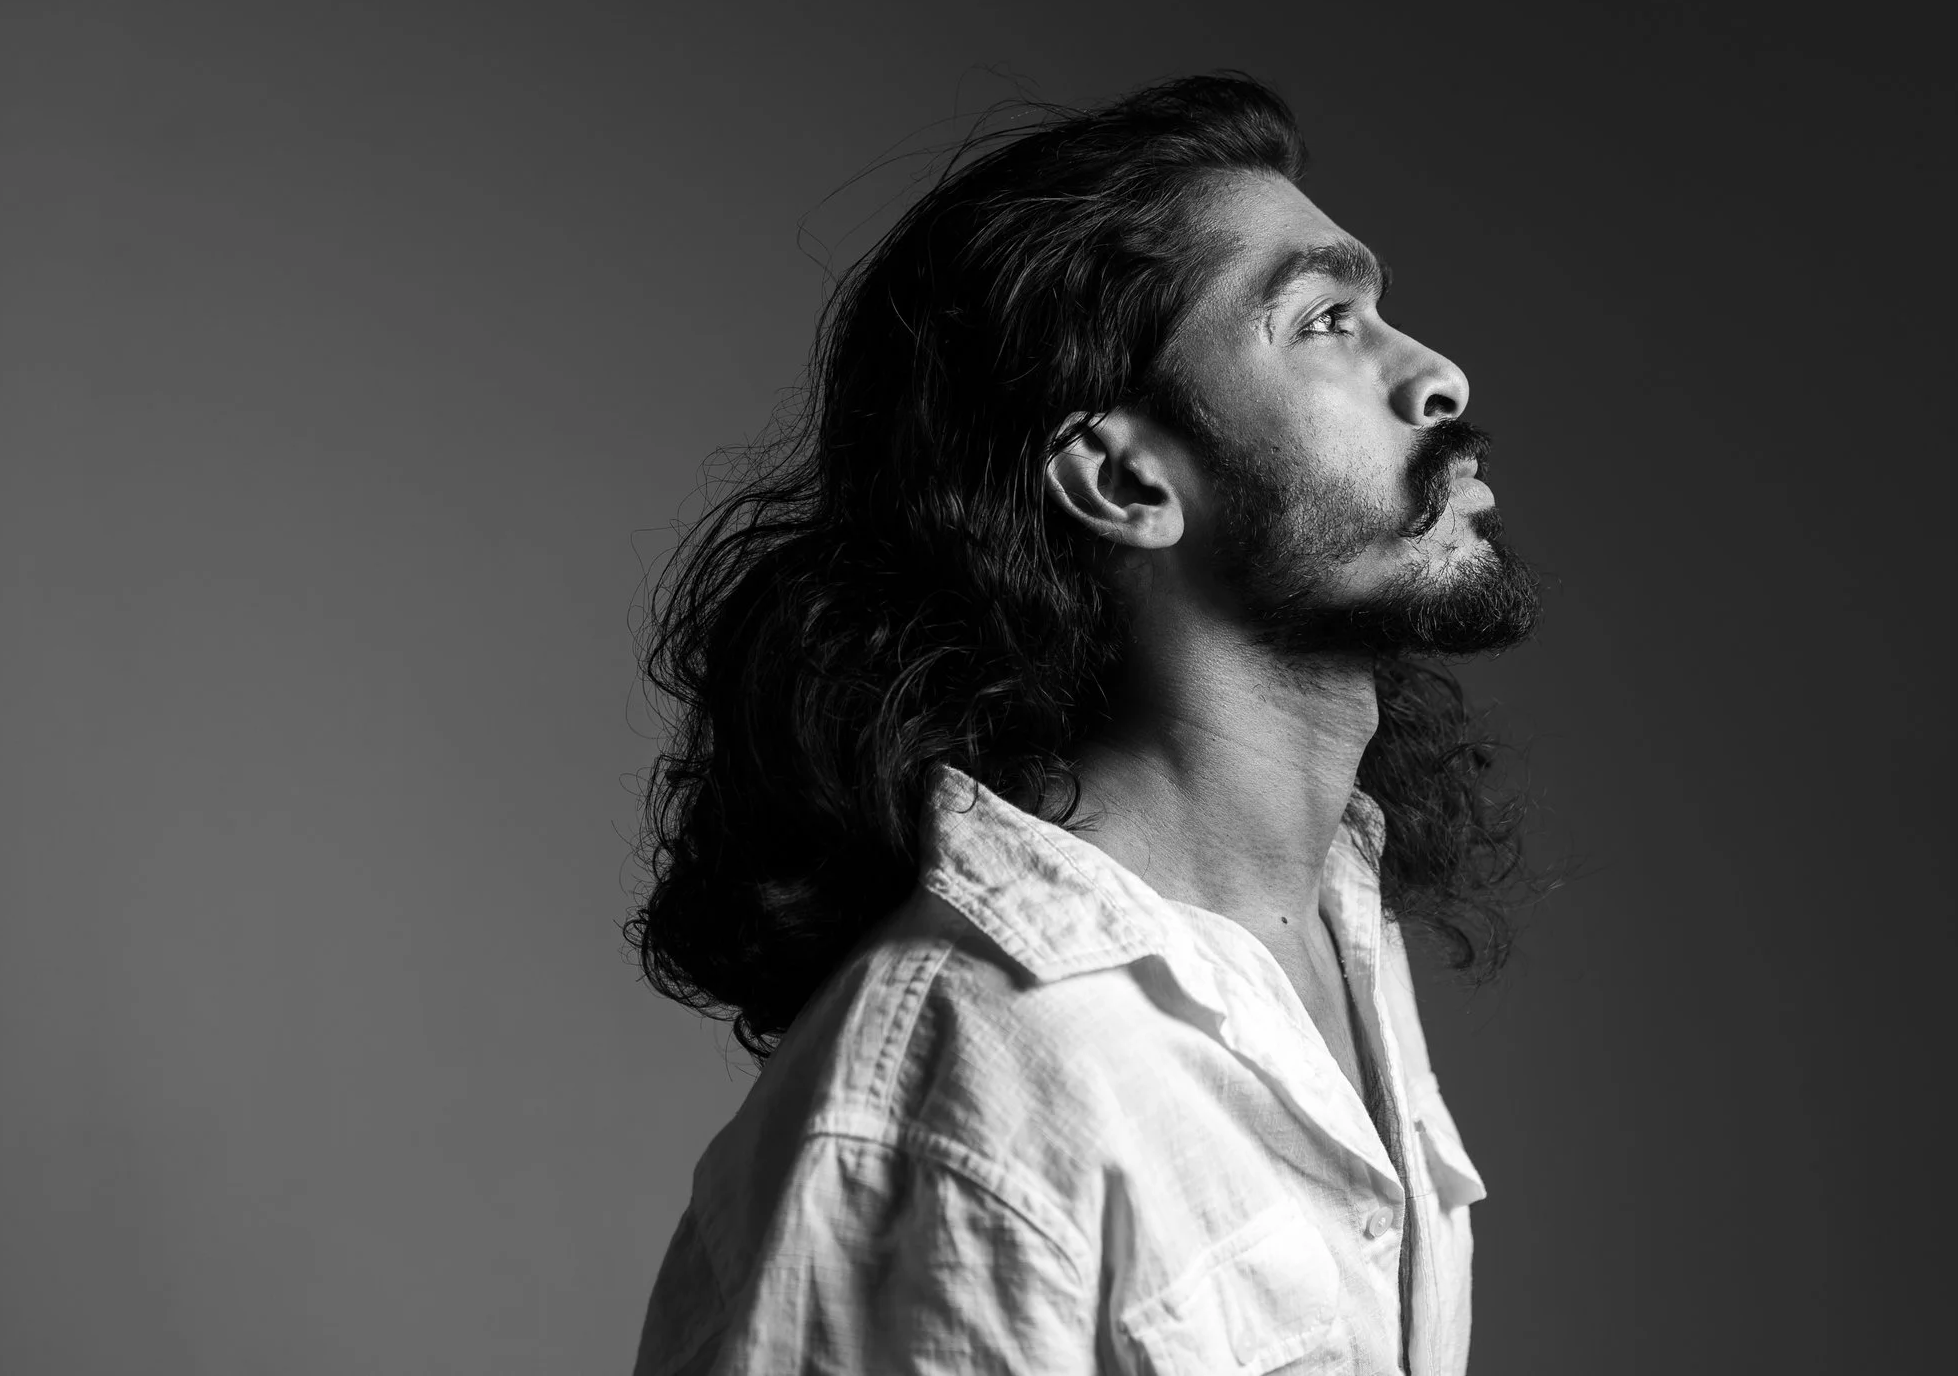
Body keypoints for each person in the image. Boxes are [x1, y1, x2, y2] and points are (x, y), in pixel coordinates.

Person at [627, 73, 1542, 1374]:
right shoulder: (976, 1078)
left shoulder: (1337, 931)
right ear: (1120, 478)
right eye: (1328, 321)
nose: (1439, 377)